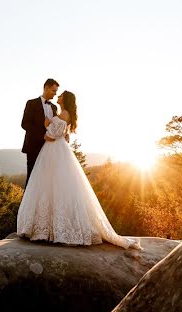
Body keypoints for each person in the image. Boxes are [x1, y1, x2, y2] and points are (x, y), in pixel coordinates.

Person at [17, 90, 141, 250]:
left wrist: (47, 127)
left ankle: (53, 229)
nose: (57, 96)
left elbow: (52, 135)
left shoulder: (63, 114)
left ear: (65, 99)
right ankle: (49, 227)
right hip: (55, 151)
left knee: (54, 186)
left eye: (60, 94)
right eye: (56, 92)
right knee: (51, 186)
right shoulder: (61, 112)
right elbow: (62, 133)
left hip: (54, 151)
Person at [21, 78, 59, 185]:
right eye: (53, 91)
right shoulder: (31, 103)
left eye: (56, 92)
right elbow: (25, 123)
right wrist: (42, 136)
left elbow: (56, 126)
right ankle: (27, 202)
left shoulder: (54, 107)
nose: (55, 94)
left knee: (47, 179)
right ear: (46, 88)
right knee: (32, 178)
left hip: (50, 148)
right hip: (33, 147)